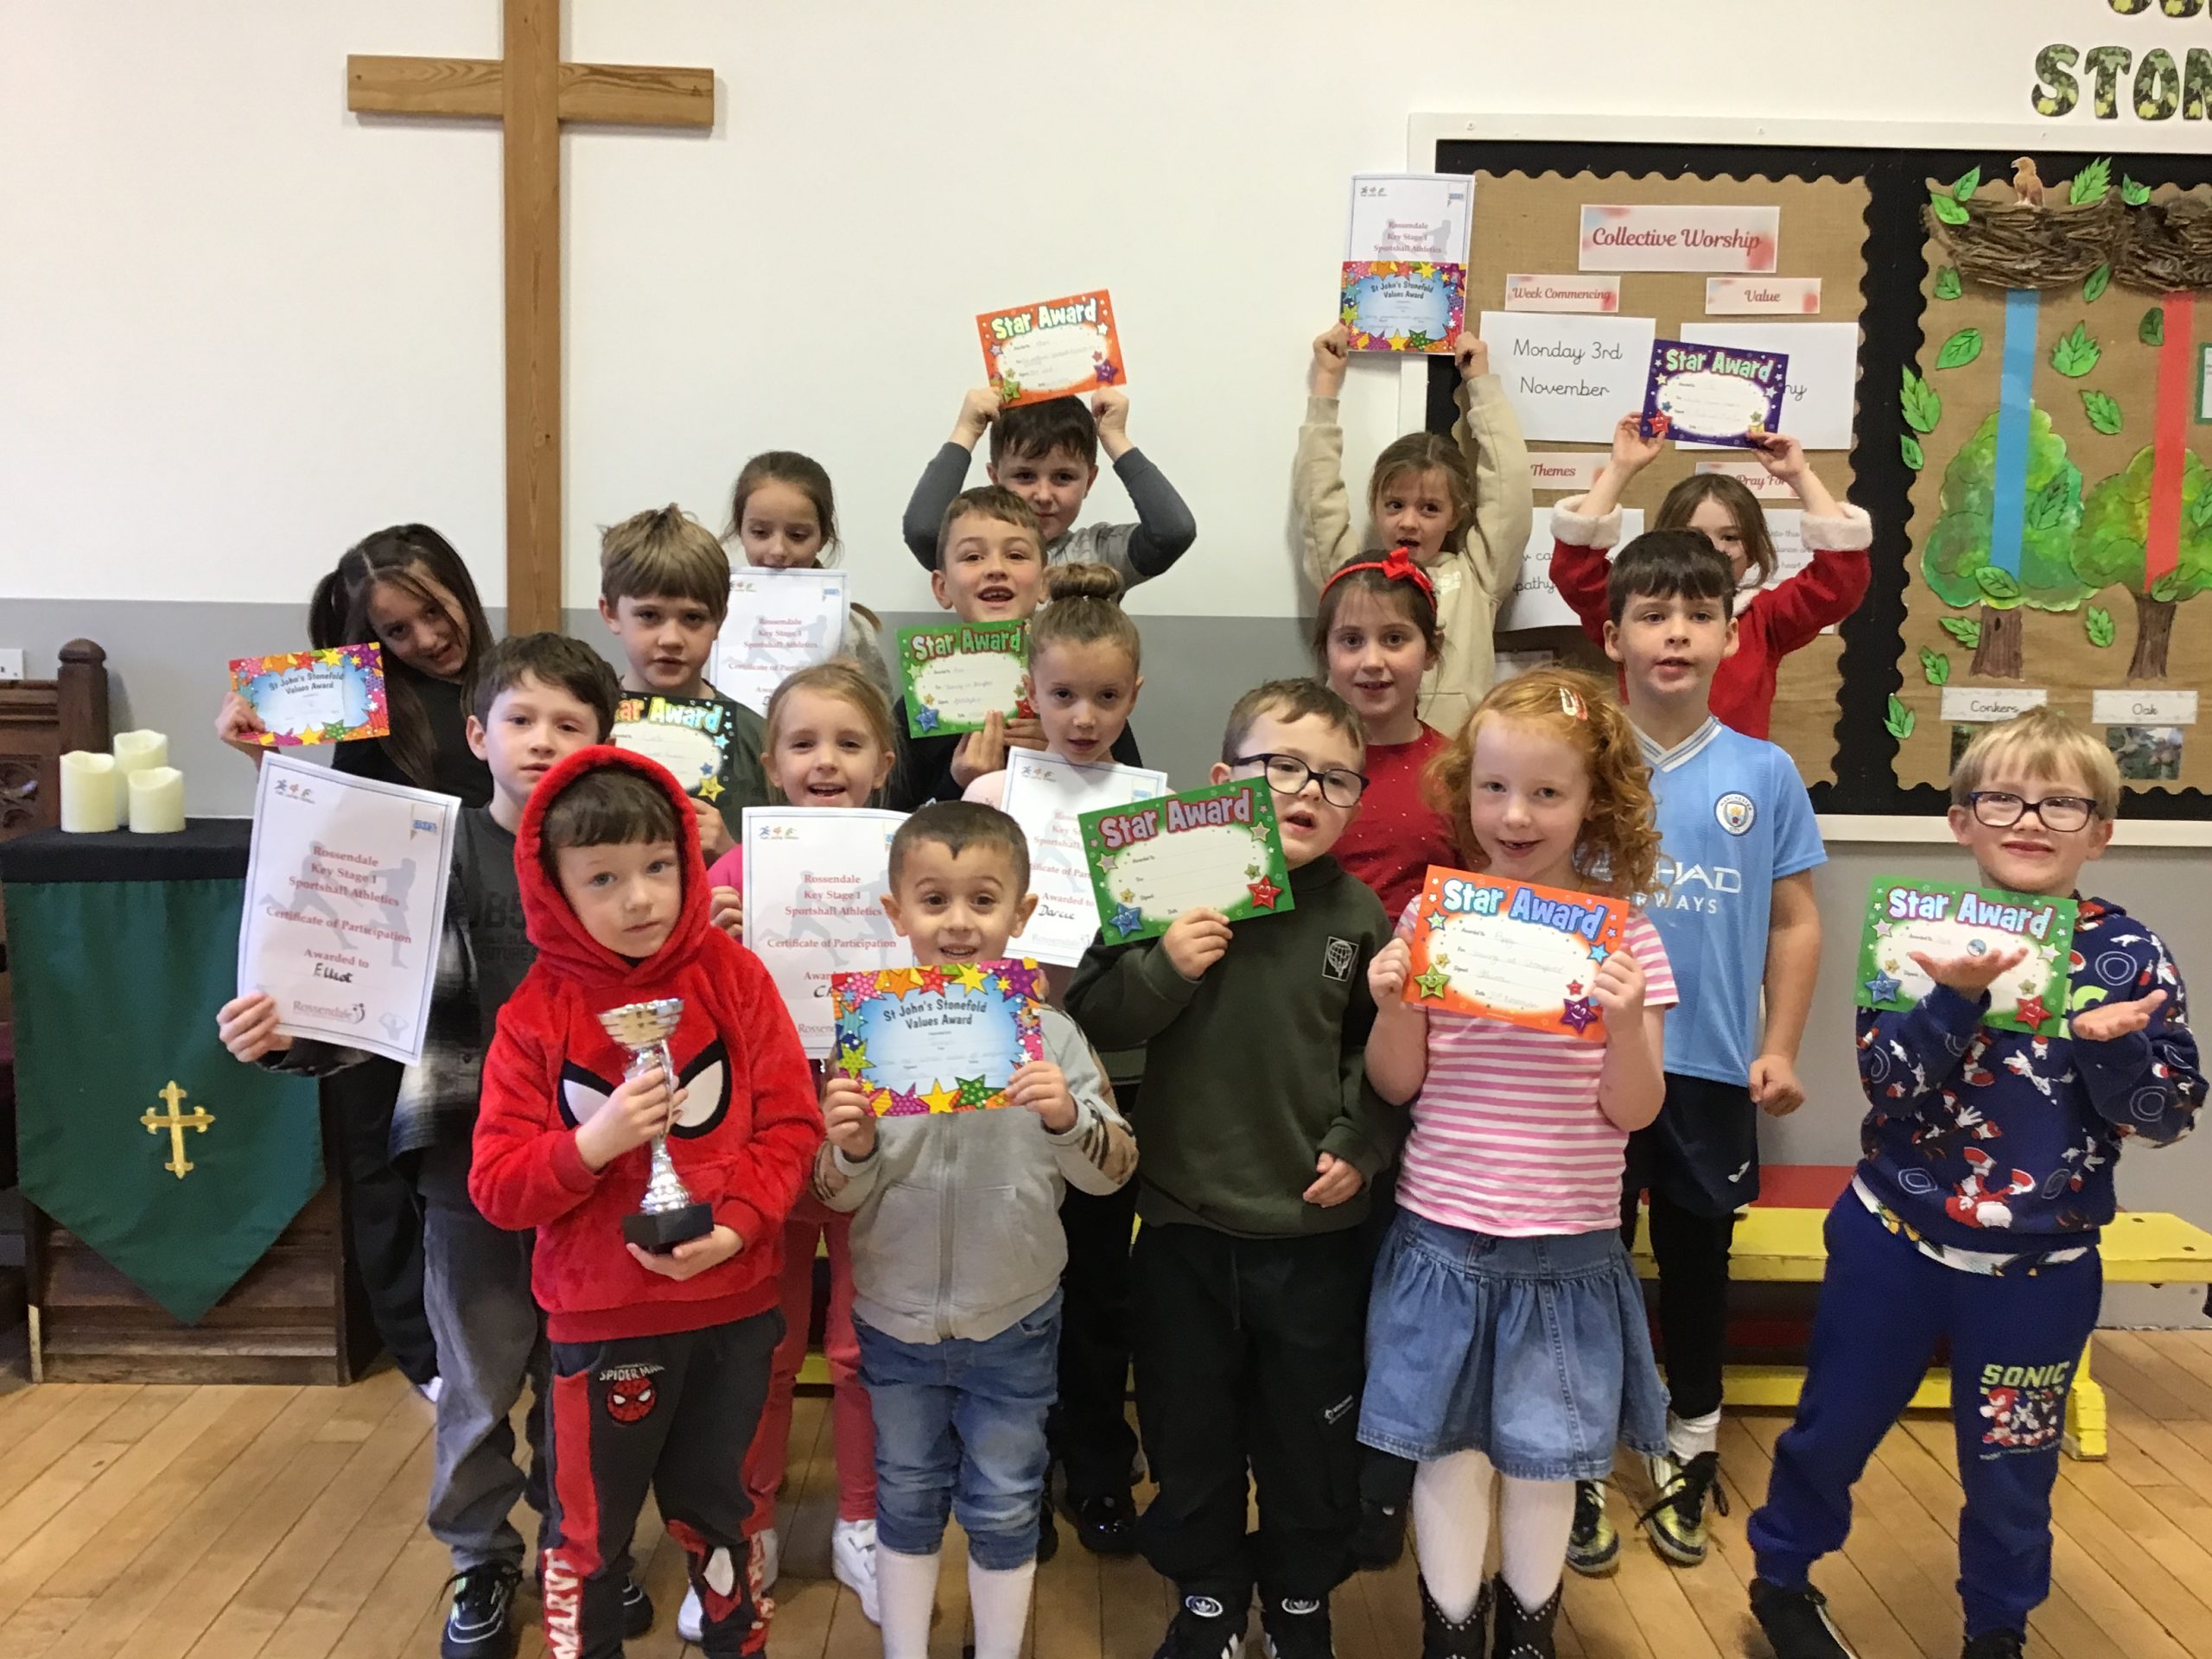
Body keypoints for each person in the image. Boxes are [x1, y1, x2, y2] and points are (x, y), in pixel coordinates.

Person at [219, 634, 661, 1659]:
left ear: (606, 739)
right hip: (469, 1172)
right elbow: (359, 983)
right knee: (477, 1381)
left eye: (568, 724)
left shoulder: (626, 865)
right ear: (476, 735)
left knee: (584, 1379)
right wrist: (286, 1034)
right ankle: (479, 1556)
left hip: (599, 1172)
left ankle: (581, 1548)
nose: (541, 740)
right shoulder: (429, 851)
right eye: (520, 720)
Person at [1746, 709, 2204, 1659]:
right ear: (1961, 821)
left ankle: (1996, 1628)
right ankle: (1782, 1579)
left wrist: (2113, 1054)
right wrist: (1953, 997)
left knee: (2012, 1466)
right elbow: (1888, 1084)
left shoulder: (2129, 956)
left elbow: (2167, 1117)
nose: (2030, 819)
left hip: (2040, 1271)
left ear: (2100, 832)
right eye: (2002, 799)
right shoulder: (1916, 938)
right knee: (1833, 1427)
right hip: (1894, 1245)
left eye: (2062, 804)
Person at [1067, 679, 1398, 1659]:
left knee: (1309, 1439)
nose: (1309, 792)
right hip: (1183, 1229)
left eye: (1337, 778)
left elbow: (1381, 1056)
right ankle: (1208, 1594)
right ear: (1224, 781)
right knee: (1189, 1430)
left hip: (1314, 1236)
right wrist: (1166, 965)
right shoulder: (1163, 884)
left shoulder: (1359, 914)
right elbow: (1092, 1018)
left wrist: (1361, 1141)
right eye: (1282, 767)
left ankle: (1298, 1599)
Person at [469, 747, 823, 1659]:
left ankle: (736, 1643)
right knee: (587, 1535)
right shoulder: (535, 1013)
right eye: (604, 878)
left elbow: (792, 1124)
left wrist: (737, 1227)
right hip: (603, 1322)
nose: (640, 899)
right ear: (552, 887)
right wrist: (594, 1143)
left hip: (734, 1308)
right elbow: (498, 1186)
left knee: (725, 1519)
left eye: (660, 866)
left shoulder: (735, 979)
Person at [1361, 666, 1676, 1659]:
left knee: (1545, 1462)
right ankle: (1450, 1636)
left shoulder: (1627, 940)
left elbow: (1635, 1108)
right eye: (1493, 787)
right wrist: (1392, 1007)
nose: (1515, 814)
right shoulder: (1431, 923)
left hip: (1564, 1248)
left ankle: (1528, 1637)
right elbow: (1396, 1085)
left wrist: (1623, 1024)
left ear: (1594, 802)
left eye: (1546, 792)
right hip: (1442, 1239)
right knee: (1447, 1455)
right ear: (1464, 793)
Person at [1557, 532, 1825, 1580]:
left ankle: (1691, 1445)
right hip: (1585, 1070)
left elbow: (1794, 922)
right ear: (1612, 634)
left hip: (1709, 1068)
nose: (1675, 633)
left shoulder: (1764, 772)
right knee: (1585, 1264)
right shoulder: (1575, 761)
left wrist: (1779, 1046)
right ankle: (1579, 1453)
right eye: (1653, 614)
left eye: (1698, 615)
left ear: (1728, 634)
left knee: (1698, 1264)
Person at [817, 802, 1136, 1659]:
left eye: (983, 900)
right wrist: (849, 1148)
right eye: (934, 900)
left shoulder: (1055, 1038)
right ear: (897, 913)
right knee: (905, 1493)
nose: (958, 922)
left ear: (1020, 914)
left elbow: (1113, 1171)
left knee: (1004, 1499)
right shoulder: (866, 1039)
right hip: (895, 1320)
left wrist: (1067, 1118)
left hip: (1014, 1318)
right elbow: (832, 1194)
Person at [213, 524, 499, 1401]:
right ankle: (422, 1354)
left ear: (461, 587)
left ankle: (498, 1333)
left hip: (493, 955)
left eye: (435, 612)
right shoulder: (372, 706)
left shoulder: (509, 683)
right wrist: (263, 757)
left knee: (486, 1146)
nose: (426, 639)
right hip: (390, 962)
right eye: (397, 630)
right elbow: (329, 828)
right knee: (380, 1152)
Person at [685, 662, 899, 1643]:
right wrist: (711, 946)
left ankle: (864, 1522)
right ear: (768, 765)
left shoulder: (909, 862)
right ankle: (750, 1528)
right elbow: (685, 1024)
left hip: (877, 1141)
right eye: (803, 744)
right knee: (761, 1350)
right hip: (762, 1151)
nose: (826, 762)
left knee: (862, 1349)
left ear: (884, 763)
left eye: (849, 744)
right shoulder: (729, 879)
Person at [963, 562, 1150, 1560]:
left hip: (1106, 1069)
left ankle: (1100, 1463)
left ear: (1134, 695)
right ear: (1028, 692)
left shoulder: (1144, 808)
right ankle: (1015, 1472)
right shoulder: (991, 794)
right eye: (1063, 694)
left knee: (1100, 1288)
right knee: (1013, 1276)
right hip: (997, 1070)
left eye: (1106, 697)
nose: (1083, 717)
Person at [1548, 415, 1872, 740]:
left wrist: (1799, 476)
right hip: (1642, 768)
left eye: (1730, 537)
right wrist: (1620, 468)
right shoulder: (1636, 608)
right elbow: (1574, 569)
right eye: (1695, 535)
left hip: (1737, 771)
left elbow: (1840, 579)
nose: (1714, 550)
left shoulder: (1765, 620)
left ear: (1753, 549)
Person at [1297, 327, 1532, 734]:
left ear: (1455, 516)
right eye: (1395, 505)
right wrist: (1325, 385)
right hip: (1357, 758)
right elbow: (1319, 502)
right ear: (1374, 508)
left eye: (1429, 509)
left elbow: (1509, 491)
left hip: (1452, 761)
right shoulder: (1352, 578)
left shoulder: (1476, 578)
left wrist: (1481, 385)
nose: (1408, 522)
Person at [887, 487, 1143, 810]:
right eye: (972, 557)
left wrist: (1066, 753)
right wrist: (958, 785)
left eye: (1016, 555)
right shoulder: (921, 703)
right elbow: (890, 823)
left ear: (1043, 582)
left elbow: (1131, 813)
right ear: (942, 587)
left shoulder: (1088, 691)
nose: (996, 569)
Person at [595, 503, 775, 858]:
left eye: (693, 618)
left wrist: (730, 851)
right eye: (649, 615)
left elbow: (780, 865)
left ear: (720, 621)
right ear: (611, 613)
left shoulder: (757, 739)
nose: (671, 639)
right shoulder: (583, 725)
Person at [899, 387, 1197, 585]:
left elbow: (1173, 533)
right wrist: (966, 431)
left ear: (1090, 481)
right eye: (1025, 476)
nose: (1043, 495)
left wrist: (1115, 437)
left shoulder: (1101, 555)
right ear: (995, 478)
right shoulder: (974, 554)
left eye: (1063, 477)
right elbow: (924, 532)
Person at [725, 449, 893, 698]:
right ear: (741, 530)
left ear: (823, 537)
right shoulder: (714, 619)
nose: (778, 550)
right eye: (760, 532)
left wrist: (856, 693)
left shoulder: (851, 631)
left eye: (797, 536)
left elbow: (883, 718)